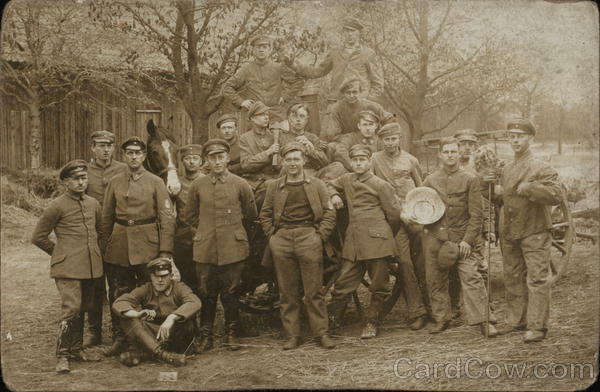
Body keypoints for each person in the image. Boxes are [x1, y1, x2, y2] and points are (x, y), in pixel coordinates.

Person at [100, 136, 176, 357]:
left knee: (149, 294)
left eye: (138, 153)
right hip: (119, 246)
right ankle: (120, 337)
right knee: (118, 293)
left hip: (147, 246)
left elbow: (167, 218)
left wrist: (165, 251)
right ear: (124, 155)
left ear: (143, 156)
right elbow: (106, 217)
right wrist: (104, 247)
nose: (133, 157)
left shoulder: (155, 182)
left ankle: (148, 338)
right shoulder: (114, 181)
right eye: (129, 153)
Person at [259, 142, 337, 350]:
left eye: (296, 159)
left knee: (314, 290)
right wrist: (272, 237)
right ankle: (292, 335)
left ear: (303, 161)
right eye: (289, 160)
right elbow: (265, 214)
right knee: (287, 291)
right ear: (283, 162)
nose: (293, 163)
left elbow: (329, 212)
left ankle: (321, 333)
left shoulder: (317, 185)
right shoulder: (274, 186)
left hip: (309, 237)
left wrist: (320, 236)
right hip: (282, 239)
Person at [183, 139, 258, 352]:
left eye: (221, 157)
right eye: (212, 157)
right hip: (205, 247)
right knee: (206, 292)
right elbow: (190, 216)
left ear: (227, 158)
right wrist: (206, 230)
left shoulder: (240, 184)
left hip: (233, 247)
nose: (217, 161)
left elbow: (250, 215)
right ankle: (206, 335)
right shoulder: (198, 185)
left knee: (231, 292)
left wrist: (232, 230)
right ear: (206, 160)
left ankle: (231, 333)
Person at [493, 118, 562, 342]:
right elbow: (502, 198)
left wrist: (531, 188)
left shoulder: (542, 166)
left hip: (534, 230)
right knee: (512, 277)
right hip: (511, 231)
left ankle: (537, 327)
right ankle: (516, 321)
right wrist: (494, 191)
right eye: (511, 136)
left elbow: (556, 196)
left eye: (520, 136)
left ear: (530, 138)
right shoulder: (507, 168)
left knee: (537, 278)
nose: (515, 140)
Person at [419, 137, 497, 337]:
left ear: (459, 153)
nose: (450, 155)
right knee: (435, 279)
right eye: (446, 152)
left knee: (471, 277)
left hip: (462, 238)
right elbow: (421, 205)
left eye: (454, 152)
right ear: (440, 154)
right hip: (436, 238)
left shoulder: (470, 179)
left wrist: (467, 241)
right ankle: (441, 319)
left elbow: (477, 214)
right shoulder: (430, 179)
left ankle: (485, 320)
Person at [31, 160, 104, 373]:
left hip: (91, 267)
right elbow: (38, 237)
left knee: (85, 307)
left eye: (84, 178)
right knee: (71, 308)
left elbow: (100, 231)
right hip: (68, 268)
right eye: (76, 179)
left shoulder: (93, 204)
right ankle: (62, 355)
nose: (81, 182)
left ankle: (77, 349)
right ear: (65, 182)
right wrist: (60, 254)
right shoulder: (57, 206)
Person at [326, 144, 402, 339]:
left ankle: (371, 322)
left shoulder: (380, 185)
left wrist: (384, 236)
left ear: (369, 162)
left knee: (379, 284)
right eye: (355, 160)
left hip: (377, 241)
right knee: (343, 283)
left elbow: (394, 215)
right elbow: (329, 183)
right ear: (351, 162)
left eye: (362, 160)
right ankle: (332, 323)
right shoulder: (347, 179)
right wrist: (334, 195)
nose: (358, 163)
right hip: (354, 243)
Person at [370, 122, 428, 330]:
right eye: (386, 139)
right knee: (404, 262)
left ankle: (433, 308)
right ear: (381, 140)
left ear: (399, 139)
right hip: (393, 220)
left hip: (415, 218)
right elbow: (371, 188)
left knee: (423, 262)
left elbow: (421, 189)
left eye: (394, 138)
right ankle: (416, 312)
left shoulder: (411, 160)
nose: (390, 143)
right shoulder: (375, 160)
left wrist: (420, 214)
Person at [112, 258, 201, 367]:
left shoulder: (179, 287)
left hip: (175, 336)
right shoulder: (146, 289)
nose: (160, 280)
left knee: (186, 324)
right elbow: (120, 302)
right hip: (154, 335)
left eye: (164, 276)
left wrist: (172, 317)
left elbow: (195, 302)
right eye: (156, 276)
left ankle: (143, 354)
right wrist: (137, 314)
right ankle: (163, 355)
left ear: (171, 275)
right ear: (150, 277)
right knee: (127, 318)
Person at [84, 130, 127, 348]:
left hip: (117, 235)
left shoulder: (124, 169)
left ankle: (119, 332)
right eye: (101, 145)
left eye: (110, 145)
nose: (106, 149)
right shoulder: (84, 171)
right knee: (94, 286)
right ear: (92, 148)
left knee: (118, 285)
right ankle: (94, 331)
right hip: (91, 237)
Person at [284, 18, 384, 102]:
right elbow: (317, 72)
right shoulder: (335, 53)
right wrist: (293, 65)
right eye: (347, 31)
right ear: (343, 33)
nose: (349, 34)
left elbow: (378, 84)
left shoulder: (368, 54)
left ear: (359, 33)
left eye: (353, 31)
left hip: (360, 104)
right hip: (336, 101)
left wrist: (367, 100)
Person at [222, 35, 302, 127]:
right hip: (255, 117)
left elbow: (298, 81)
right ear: (253, 50)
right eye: (258, 47)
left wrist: (285, 97)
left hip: (276, 116)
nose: (261, 50)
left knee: (279, 139)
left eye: (264, 47)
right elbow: (226, 88)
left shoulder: (278, 67)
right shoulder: (246, 69)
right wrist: (241, 102)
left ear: (270, 49)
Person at [279, 103, 346, 180]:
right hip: (291, 174)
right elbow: (278, 165)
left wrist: (311, 150)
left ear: (307, 119)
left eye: (302, 116)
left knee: (337, 166)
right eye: (294, 116)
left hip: (313, 175)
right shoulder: (282, 137)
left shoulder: (313, 138)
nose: (298, 119)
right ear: (289, 119)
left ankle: (316, 186)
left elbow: (325, 163)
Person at [238, 101, 281, 208]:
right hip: (253, 181)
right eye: (262, 115)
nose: (266, 118)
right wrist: (268, 153)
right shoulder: (245, 138)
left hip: (273, 178)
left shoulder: (274, 137)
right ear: (252, 118)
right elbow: (246, 165)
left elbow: (279, 166)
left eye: (267, 115)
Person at [173, 144, 204, 290]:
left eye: (195, 158)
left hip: (204, 236)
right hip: (183, 238)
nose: (191, 162)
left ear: (201, 161)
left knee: (204, 278)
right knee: (186, 277)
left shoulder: (208, 181)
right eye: (187, 158)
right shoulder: (176, 183)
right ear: (182, 162)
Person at [326, 78, 393, 142]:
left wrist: (381, 136)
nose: (352, 95)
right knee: (332, 146)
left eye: (355, 92)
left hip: (371, 141)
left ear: (360, 92)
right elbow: (332, 134)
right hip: (348, 142)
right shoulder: (337, 108)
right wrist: (354, 138)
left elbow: (389, 119)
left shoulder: (371, 106)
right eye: (348, 93)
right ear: (343, 94)